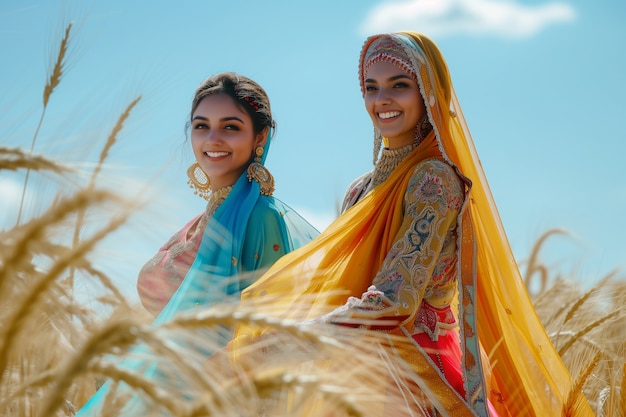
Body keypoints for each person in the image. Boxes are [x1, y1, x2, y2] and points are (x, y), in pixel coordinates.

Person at [231, 33, 594, 417]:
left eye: (399, 86)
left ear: (428, 93)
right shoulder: (360, 189)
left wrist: (285, 344)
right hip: (351, 373)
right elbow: (335, 283)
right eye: (371, 88)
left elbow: (393, 302)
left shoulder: (434, 181)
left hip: (417, 380)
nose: (381, 99)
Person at [74, 72, 319, 416]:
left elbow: (274, 336)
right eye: (201, 126)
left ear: (259, 135)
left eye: (231, 127)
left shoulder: (262, 219)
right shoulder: (204, 222)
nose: (213, 138)